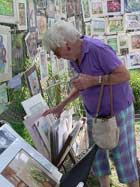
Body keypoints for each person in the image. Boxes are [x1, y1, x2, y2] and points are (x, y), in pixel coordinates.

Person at [42, 20, 139, 187]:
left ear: (67, 44)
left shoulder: (97, 49)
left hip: (117, 112)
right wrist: (61, 105)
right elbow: (82, 85)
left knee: (124, 159)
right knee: (98, 157)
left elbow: (124, 75)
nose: (57, 57)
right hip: (94, 113)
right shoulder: (74, 56)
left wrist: (95, 80)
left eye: (57, 52)